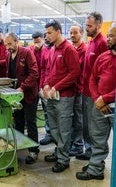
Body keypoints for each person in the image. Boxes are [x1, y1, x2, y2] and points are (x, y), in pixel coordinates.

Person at [76, 23, 116, 180]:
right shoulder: (103, 57)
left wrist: (105, 98)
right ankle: (95, 168)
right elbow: (92, 79)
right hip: (99, 105)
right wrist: (97, 98)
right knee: (97, 138)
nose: (108, 38)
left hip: (111, 104)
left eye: (111, 35)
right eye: (108, 35)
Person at [42, 19, 80, 172]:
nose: (47, 36)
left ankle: (63, 159)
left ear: (58, 31)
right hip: (51, 96)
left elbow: (74, 73)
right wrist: (45, 84)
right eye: (46, 33)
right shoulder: (52, 50)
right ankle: (59, 151)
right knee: (53, 127)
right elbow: (48, 70)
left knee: (64, 129)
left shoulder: (69, 49)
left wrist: (56, 87)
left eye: (50, 33)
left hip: (64, 97)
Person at [76, 12, 108, 161]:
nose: (87, 28)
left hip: (95, 95)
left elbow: (105, 71)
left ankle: (95, 155)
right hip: (86, 91)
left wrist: (100, 95)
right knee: (87, 125)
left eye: (90, 26)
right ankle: (89, 150)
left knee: (95, 127)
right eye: (86, 25)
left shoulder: (102, 43)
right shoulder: (91, 42)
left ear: (99, 25)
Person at [4, 32, 40, 164]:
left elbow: (34, 73)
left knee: (30, 122)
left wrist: (22, 87)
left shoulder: (27, 53)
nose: (8, 47)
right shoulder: (9, 56)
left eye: (10, 44)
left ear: (16, 41)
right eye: (6, 44)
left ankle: (33, 151)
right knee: (18, 122)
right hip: (16, 96)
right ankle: (19, 147)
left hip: (29, 94)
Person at [30, 31, 53, 146]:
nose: (36, 44)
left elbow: (46, 70)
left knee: (48, 111)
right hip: (34, 86)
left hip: (44, 86)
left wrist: (44, 86)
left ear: (43, 40)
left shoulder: (47, 52)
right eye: (34, 42)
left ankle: (50, 134)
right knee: (43, 111)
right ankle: (49, 133)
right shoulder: (31, 51)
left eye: (38, 41)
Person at [68, 24, 88, 157]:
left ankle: (79, 146)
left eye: (75, 32)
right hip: (69, 89)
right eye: (70, 33)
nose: (72, 35)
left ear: (81, 33)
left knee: (78, 119)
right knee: (71, 118)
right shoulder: (70, 48)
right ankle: (72, 143)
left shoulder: (84, 49)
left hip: (79, 89)